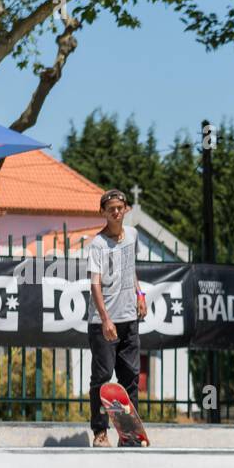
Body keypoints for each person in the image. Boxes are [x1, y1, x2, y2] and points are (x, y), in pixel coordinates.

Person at [86, 189, 146, 447]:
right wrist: (105, 319)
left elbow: (130, 269)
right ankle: (100, 432)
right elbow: (95, 284)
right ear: (103, 212)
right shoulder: (97, 245)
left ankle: (128, 433)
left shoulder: (132, 236)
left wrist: (140, 293)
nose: (116, 212)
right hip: (104, 323)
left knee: (130, 376)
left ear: (126, 210)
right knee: (102, 378)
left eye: (120, 207)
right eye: (110, 208)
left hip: (129, 318)